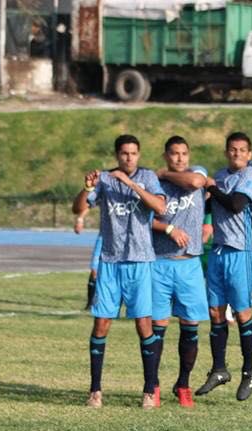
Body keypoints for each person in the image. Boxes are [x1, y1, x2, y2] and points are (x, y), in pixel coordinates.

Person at [73, 134, 167, 409]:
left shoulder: (148, 177)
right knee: (101, 324)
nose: (129, 158)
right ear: (117, 154)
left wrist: (128, 183)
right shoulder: (103, 179)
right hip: (111, 261)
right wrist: (86, 188)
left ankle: (149, 389)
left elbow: (160, 207)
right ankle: (95, 391)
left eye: (133, 153)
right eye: (124, 153)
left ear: (138, 155)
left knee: (143, 324)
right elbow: (78, 208)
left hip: (140, 261)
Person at [195, 132, 252, 402]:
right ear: (226, 152)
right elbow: (209, 205)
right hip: (219, 251)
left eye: (242, 150)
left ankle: (248, 371)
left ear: (250, 153)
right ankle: (219, 369)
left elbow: (236, 205)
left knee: (242, 312)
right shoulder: (220, 175)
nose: (237, 154)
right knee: (215, 311)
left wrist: (210, 187)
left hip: (242, 253)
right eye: (233, 149)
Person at [150, 135, 212, 408]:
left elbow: (196, 183)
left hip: (189, 264)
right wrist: (169, 228)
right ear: (166, 154)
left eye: (184, 153)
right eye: (174, 154)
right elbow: (144, 218)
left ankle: (183, 383)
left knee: (190, 327)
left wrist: (164, 172)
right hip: (160, 263)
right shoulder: (152, 184)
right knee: (157, 328)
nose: (180, 158)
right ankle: (152, 385)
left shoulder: (197, 173)